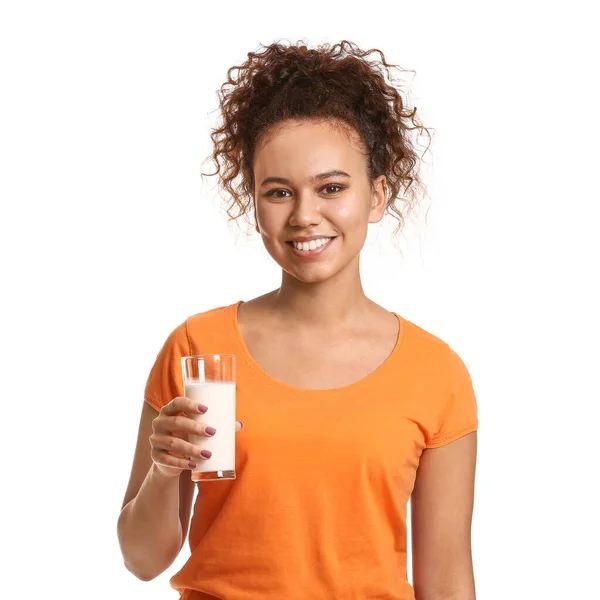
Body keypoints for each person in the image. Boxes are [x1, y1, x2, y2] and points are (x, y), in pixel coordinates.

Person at [117, 39, 479, 600]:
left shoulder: (436, 373)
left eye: (332, 187)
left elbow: (448, 581)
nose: (305, 216)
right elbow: (142, 561)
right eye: (279, 192)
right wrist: (165, 471)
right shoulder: (199, 349)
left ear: (377, 195)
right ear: (254, 203)